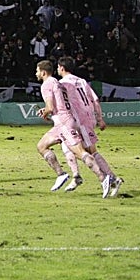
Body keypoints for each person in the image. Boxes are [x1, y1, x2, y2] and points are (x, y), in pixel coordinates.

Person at [35, 60, 110, 192]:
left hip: (64, 123)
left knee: (82, 153)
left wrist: (45, 112)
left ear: (43, 72)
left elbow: (50, 106)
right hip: (66, 120)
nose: (36, 73)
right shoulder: (57, 82)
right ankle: (64, 174)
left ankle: (103, 178)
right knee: (42, 146)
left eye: (37, 70)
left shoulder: (46, 84)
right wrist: (47, 112)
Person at [57, 57, 122, 198]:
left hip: (80, 120)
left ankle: (111, 178)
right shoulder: (81, 81)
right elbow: (95, 99)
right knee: (66, 146)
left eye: (58, 67)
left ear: (61, 68)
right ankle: (76, 176)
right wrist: (99, 118)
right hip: (87, 118)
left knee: (90, 151)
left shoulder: (62, 84)